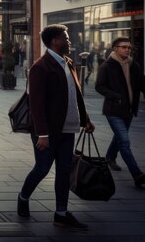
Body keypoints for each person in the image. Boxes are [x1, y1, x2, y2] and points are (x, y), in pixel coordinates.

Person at [18, 24, 95, 229]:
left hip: (68, 128)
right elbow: (36, 104)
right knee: (42, 168)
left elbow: (75, 94)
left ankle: (61, 214)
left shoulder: (68, 63)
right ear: (55, 41)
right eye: (66, 37)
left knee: (63, 171)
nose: (69, 41)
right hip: (47, 131)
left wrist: (85, 119)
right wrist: (42, 134)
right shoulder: (40, 67)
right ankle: (23, 196)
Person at [95, 37, 145, 187]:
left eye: (129, 47)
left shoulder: (133, 65)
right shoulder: (107, 66)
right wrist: (116, 97)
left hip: (129, 110)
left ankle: (109, 157)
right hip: (113, 110)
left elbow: (142, 84)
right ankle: (137, 174)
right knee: (124, 141)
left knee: (119, 138)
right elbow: (99, 86)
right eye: (124, 47)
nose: (127, 50)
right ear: (115, 48)